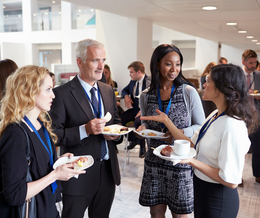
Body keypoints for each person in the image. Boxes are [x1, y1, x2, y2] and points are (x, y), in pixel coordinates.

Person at [141, 64, 259, 218]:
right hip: (202, 190)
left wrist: (191, 161)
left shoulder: (232, 125)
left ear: (222, 87)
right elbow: (192, 144)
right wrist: (167, 121)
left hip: (218, 198)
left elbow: (231, 180)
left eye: (208, 81)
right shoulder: (216, 114)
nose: (204, 84)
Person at [50, 38, 122, 218]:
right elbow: (54, 135)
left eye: (103, 60)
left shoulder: (107, 90)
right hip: (77, 176)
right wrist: (85, 130)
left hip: (107, 173)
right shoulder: (61, 94)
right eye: (95, 60)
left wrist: (115, 134)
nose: (101, 66)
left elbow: (117, 122)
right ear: (79, 62)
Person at [0, 65, 84, 218]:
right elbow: (14, 194)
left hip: (48, 207)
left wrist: (59, 162)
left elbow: (36, 165)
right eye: (48, 89)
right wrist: (55, 175)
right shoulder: (15, 134)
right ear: (29, 91)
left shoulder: (41, 124)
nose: (53, 95)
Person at [137, 44, 205, 218]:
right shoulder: (146, 95)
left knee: (180, 214)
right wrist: (143, 129)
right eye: (169, 64)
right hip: (154, 161)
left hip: (180, 162)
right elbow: (147, 124)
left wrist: (179, 131)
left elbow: (200, 127)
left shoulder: (188, 92)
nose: (174, 69)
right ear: (157, 64)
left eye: (178, 63)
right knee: (156, 212)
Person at [120, 61, 151, 158]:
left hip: (145, 112)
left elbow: (153, 99)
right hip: (134, 110)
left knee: (138, 122)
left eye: (131, 72)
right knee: (120, 119)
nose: (130, 75)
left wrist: (143, 110)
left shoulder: (150, 81)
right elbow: (124, 90)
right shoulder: (133, 81)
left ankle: (142, 148)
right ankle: (133, 139)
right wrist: (126, 96)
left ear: (138, 72)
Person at [242, 49, 260, 184]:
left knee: (257, 146)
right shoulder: (237, 75)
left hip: (256, 116)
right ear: (244, 62)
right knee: (239, 147)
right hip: (240, 115)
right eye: (251, 63)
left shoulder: (258, 75)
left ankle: (258, 174)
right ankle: (237, 176)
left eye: (255, 62)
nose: (254, 65)